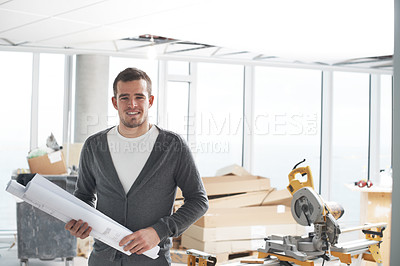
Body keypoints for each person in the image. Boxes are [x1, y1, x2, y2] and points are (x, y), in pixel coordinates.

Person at [65, 67, 209, 265]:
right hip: (103, 260)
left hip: (152, 261)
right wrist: (80, 222)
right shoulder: (94, 146)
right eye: (124, 97)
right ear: (115, 102)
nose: (132, 104)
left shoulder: (172, 147)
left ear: (150, 101)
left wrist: (159, 231)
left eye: (139, 97)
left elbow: (199, 200)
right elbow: (84, 196)